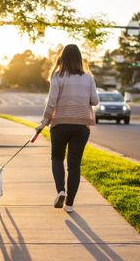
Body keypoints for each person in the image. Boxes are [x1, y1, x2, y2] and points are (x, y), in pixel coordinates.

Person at [36, 44, 99, 213]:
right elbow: (95, 101)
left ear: (62, 57)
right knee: (74, 165)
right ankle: (69, 205)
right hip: (81, 126)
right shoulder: (88, 78)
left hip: (60, 125)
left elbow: (51, 102)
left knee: (57, 158)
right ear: (79, 58)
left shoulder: (58, 76)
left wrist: (43, 122)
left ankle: (61, 191)